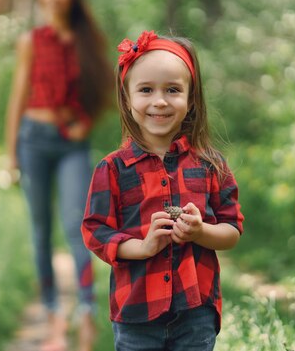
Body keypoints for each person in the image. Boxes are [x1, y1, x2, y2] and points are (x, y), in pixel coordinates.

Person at [81, 30, 244, 351]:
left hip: (196, 312)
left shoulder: (212, 165)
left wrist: (200, 232)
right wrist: (141, 247)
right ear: (127, 99)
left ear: (191, 98)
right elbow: (95, 231)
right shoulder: (112, 169)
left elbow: (232, 230)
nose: (159, 101)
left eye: (172, 90)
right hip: (136, 314)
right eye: (145, 90)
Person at [5, 0, 113, 351]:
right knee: (40, 231)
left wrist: (87, 122)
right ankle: (54, 319)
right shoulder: (30, 41)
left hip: (71, 143)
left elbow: (103, 87)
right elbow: (17, 98)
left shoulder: (86, 40)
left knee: (76, 227)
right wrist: (10, 153)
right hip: (33, 139)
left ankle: (86, 314)